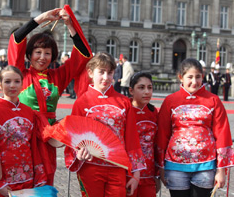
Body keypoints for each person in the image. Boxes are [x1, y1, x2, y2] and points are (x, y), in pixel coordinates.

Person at [7, 6, 92, 185]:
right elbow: (16, 39)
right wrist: (41, 19)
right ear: (29, 55)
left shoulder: (58, 77)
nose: (42, 57)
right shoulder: (21, 74)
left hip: (49, 139)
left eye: (47, 53)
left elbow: (82, 54)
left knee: (46, 179)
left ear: (53, 56)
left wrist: (70, 25)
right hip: (24, 135)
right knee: (23, 181)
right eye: (38, 52)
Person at [64, 52, 146, 197]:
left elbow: (132, 137)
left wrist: (136, 174)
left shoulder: (124, 102)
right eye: (101, 72)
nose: (106, 77)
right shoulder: (82, 102)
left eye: (110, 72)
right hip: (90, 166)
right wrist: (78, 152)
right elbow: (73, 137)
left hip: (118, 167)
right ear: (90, 73)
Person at [156, 58, 234, 197]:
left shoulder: (213, 100)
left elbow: (222, 133)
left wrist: (221, 170)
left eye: (198, 77)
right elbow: (162, 134)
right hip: (175, 165)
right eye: (190, 77)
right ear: (181, 77)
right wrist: (160, 167)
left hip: (205, 165)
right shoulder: (170, 101)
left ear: (202, 77)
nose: (194, 81)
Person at [0, 66, 47, 197]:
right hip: (5, 176)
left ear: (22, 84)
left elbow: (33, 147)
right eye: (7, 82)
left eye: (17, 81)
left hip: (28, 175)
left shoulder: (28, 112)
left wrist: (38, 174)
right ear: (0, 84)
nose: (12, 86)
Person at [128, 72, 159, 197]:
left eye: (149, 88)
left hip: (149, 173)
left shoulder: (154, 113)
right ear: (131, 90)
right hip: (128, 173)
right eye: (141, 88)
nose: (146, 92)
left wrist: (157, 173)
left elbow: (157, 143)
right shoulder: (125, 110)